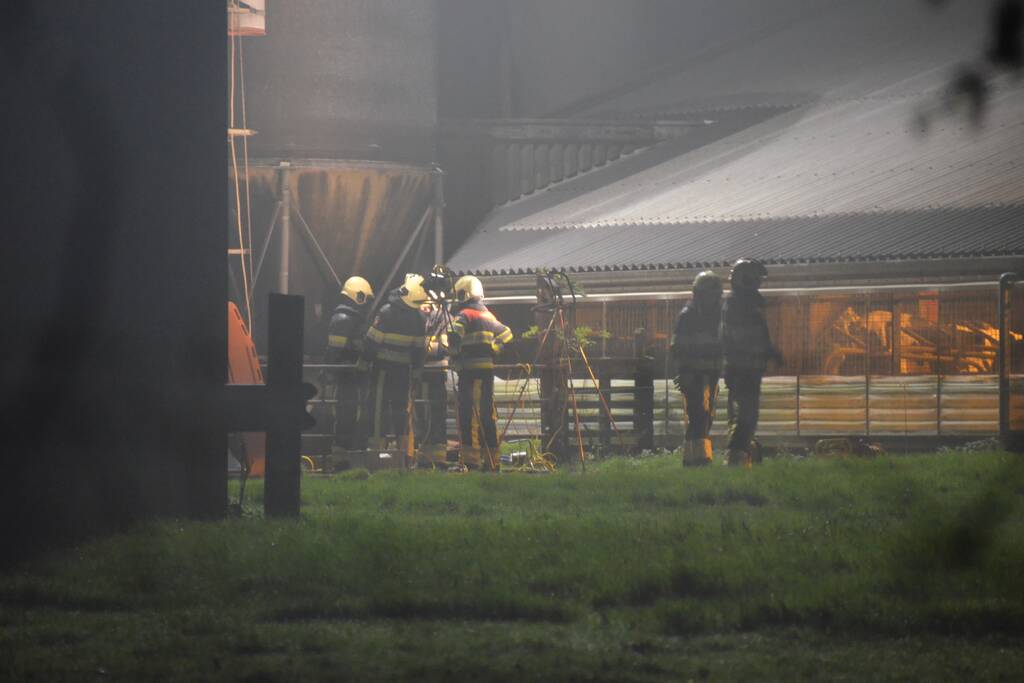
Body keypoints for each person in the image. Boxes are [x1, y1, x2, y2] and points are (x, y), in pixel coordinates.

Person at [362, 273, 428, 463]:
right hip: (403, 372)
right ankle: (404, 456)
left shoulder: (386, 312)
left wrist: (365, 362)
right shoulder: (419, 318)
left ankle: (376, 456)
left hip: (382, 370)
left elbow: (371, 342)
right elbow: (419, 351)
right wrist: (416, 372)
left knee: (378, 411)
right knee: (402, 413)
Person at [721, 258, 782, 467]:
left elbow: (759, 338)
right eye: (755, 279)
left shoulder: (747, 305)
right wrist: (767, 352)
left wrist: (771, 352)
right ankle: (735, 459)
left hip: (749, 368)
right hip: (742, 369)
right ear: (746, 280)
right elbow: (742, 339)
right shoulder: (738, 306)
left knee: (748, 414)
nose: (758, 283)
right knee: (745, 415)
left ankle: (742, 453)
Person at [449, 275, 512, 471]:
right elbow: (508, 334)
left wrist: (453, 355)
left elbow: (453, 335)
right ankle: (492, 460)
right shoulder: (488, 315)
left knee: (469, 415)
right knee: (487, 415)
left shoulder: (465, 314)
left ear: (463, 293)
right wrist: (494, 349)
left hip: (469, 372)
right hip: (486, 373)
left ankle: (471, 461)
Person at [670, 271, 723, 466]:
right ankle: (700, 460)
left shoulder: (718, 316)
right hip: (693, 375)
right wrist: (683, 373)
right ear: (700, 294)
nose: (716, 299)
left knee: (705, 417)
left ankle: (693, 458)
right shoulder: (688, 316)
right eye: (712, 295)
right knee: (698, 416)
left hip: (711, 374)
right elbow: (678, 347)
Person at [325, 276, 374, 455]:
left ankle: (347, 454)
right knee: (345, 415)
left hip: (352, 377)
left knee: (352, 414)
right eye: (366, 299)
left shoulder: (351, 319)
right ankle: (341, 457)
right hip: (345, 377)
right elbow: (335, 351)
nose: (367, 304)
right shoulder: (343, 319)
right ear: (358, 296)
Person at [417, 301, 451, 470]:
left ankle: (437, 458)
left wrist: (420, 346)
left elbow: (444, 348)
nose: (423, 309)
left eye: (426, 306)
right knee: (420, 416)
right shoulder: (415, 319)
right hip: (419, 375)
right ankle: (423, 457)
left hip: (436, 375)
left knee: (437, 415)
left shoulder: (443, 319)